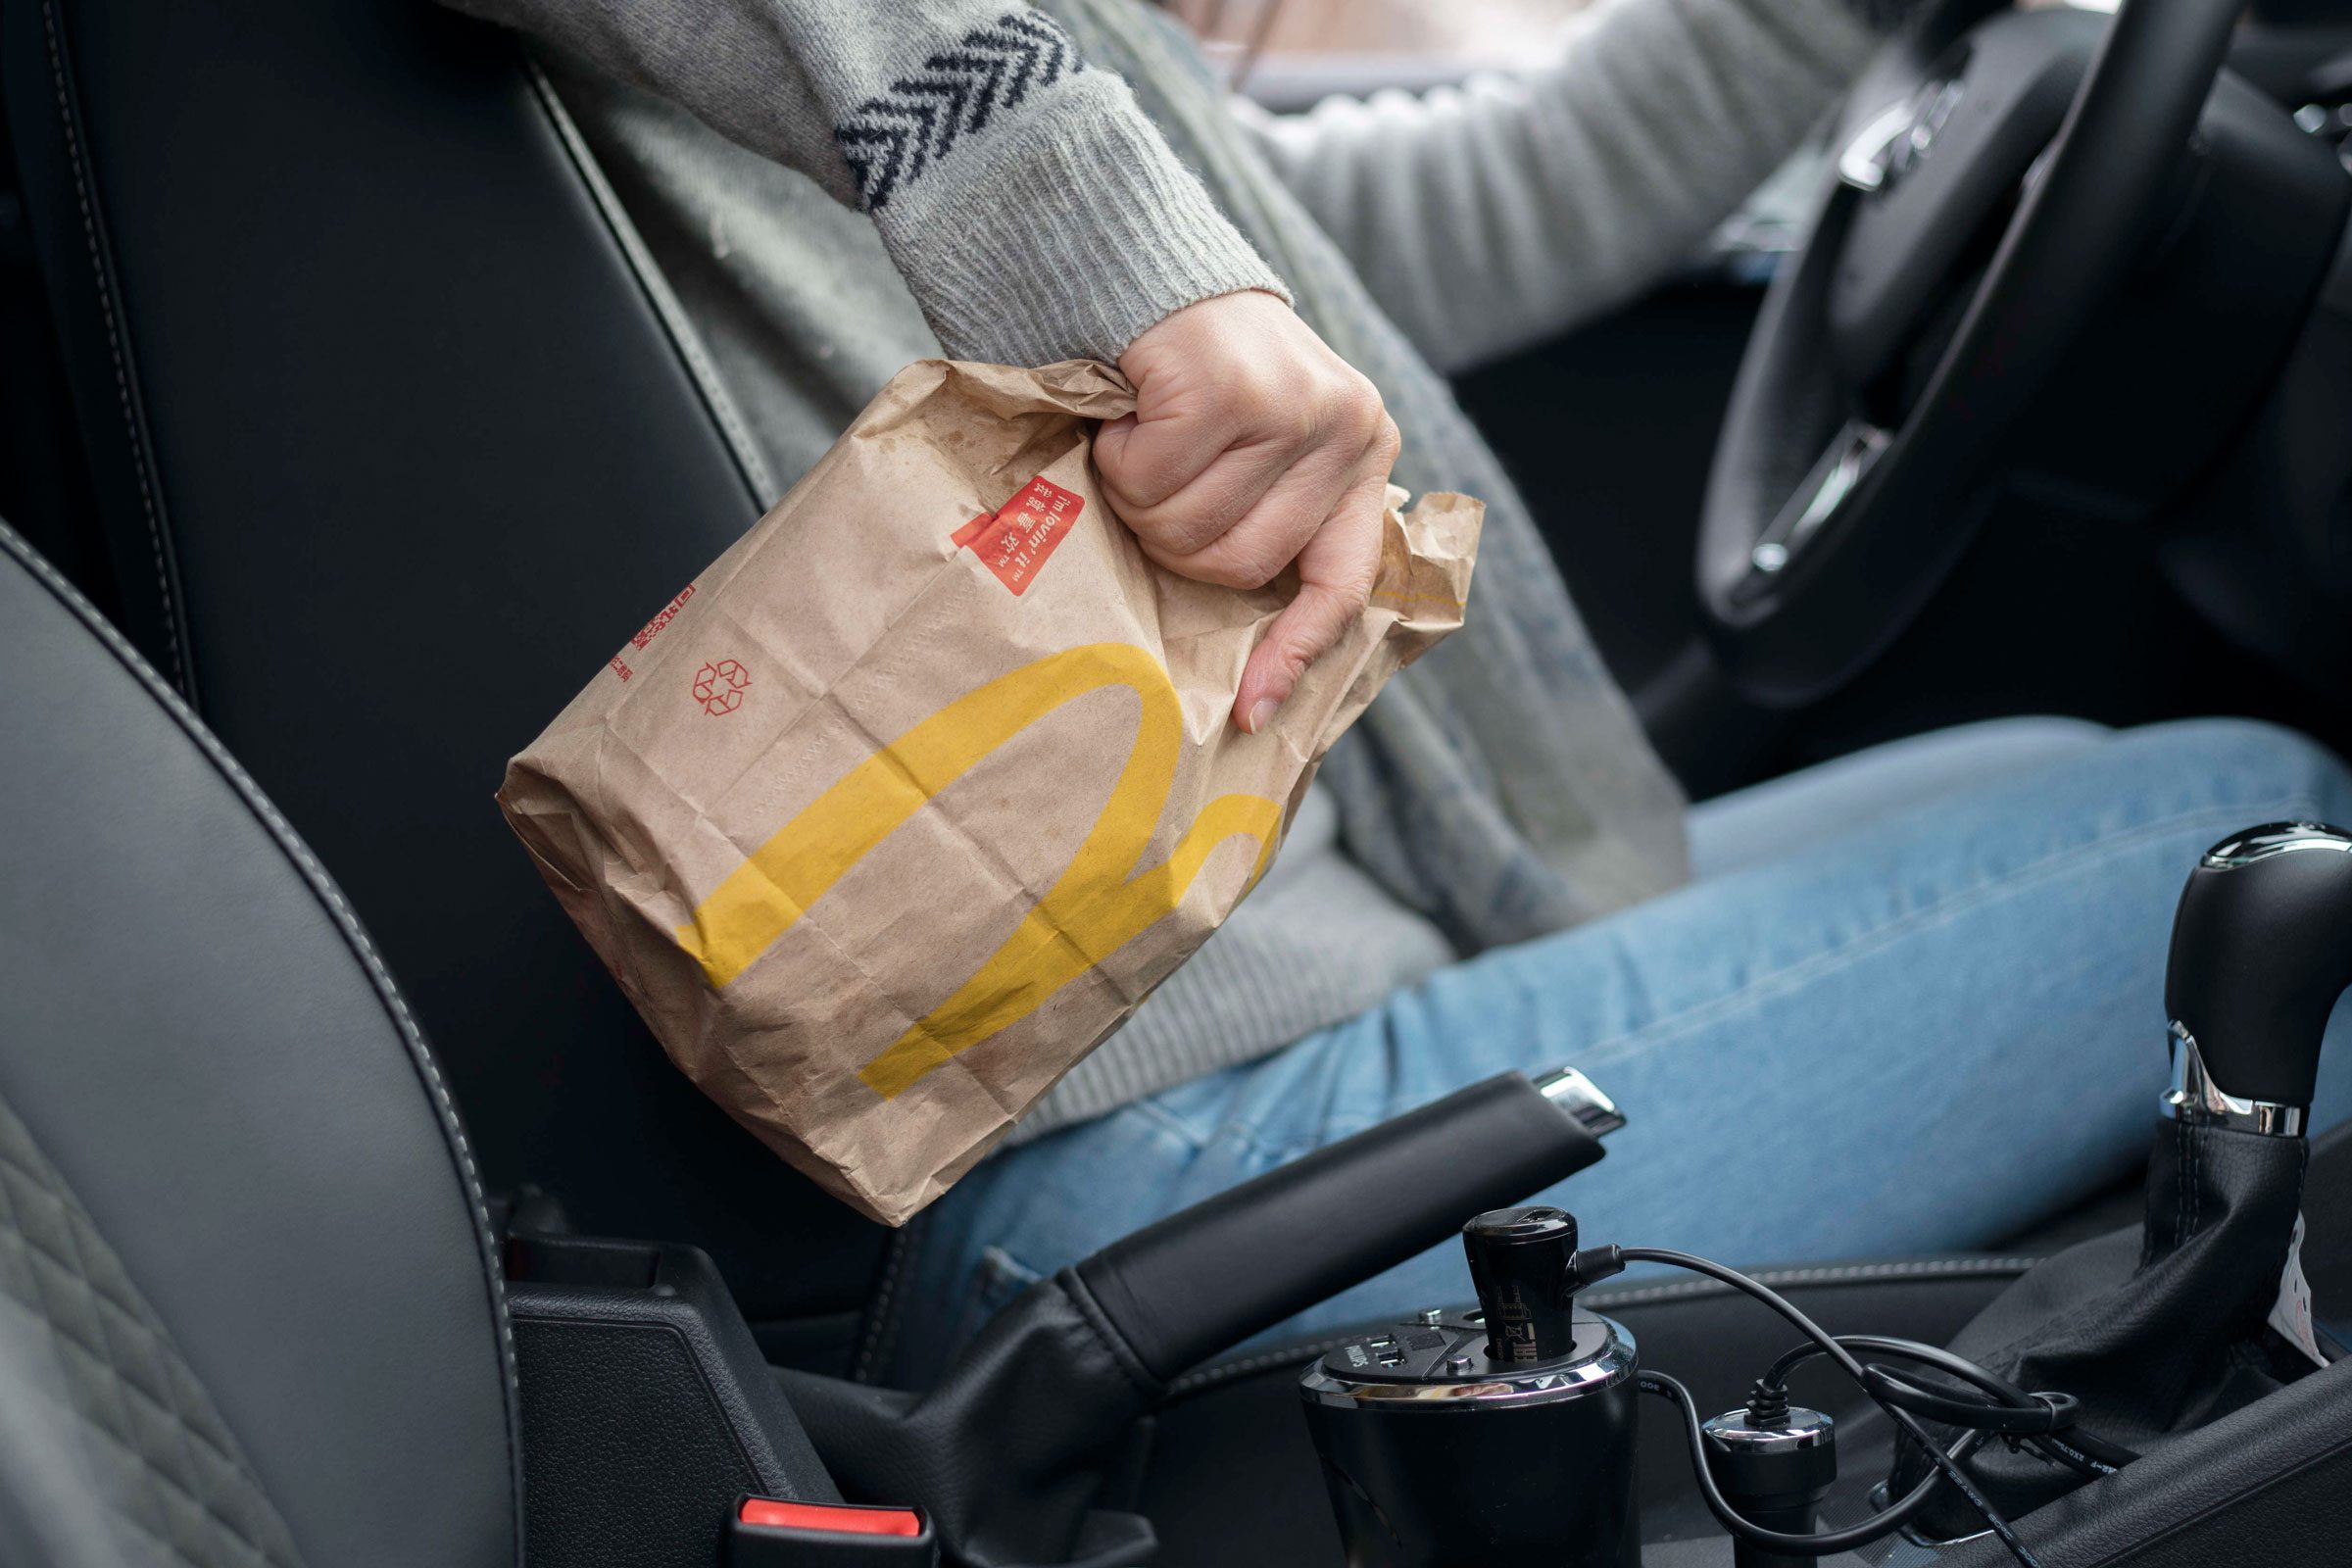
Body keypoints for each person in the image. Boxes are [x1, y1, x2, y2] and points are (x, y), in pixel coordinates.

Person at [446, 0, 2352, 1388]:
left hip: (1275, 1000)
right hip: (1130, 1146)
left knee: (2066, 773)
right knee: (2264, 844)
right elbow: (1127, 223)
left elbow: (1380, 241)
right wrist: (1122, 257)